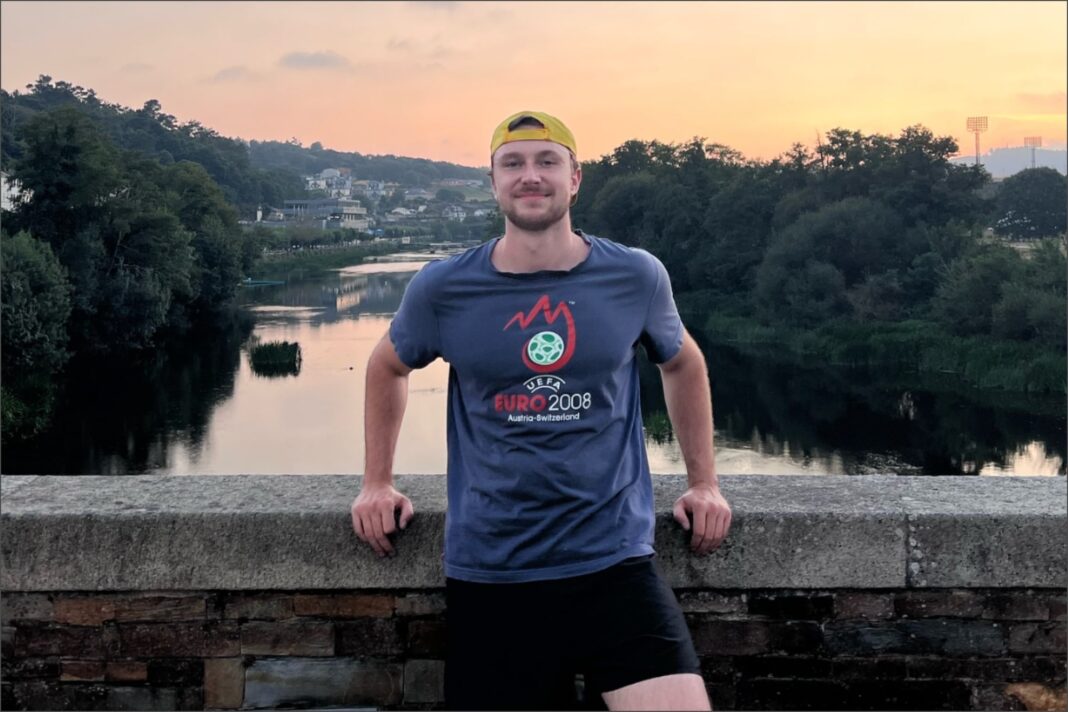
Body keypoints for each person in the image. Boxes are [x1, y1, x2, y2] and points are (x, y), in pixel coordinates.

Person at [352, 110, 732, 711]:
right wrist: (376, 483)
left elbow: (682, 363)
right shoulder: (443, 287)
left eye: (547, 161)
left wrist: (704, 484)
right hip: (494, 570)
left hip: (614, 563)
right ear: (494, 181)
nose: (531, 176)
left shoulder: (634, 275)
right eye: (514, 163)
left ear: (575, 178)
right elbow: (387, 366)